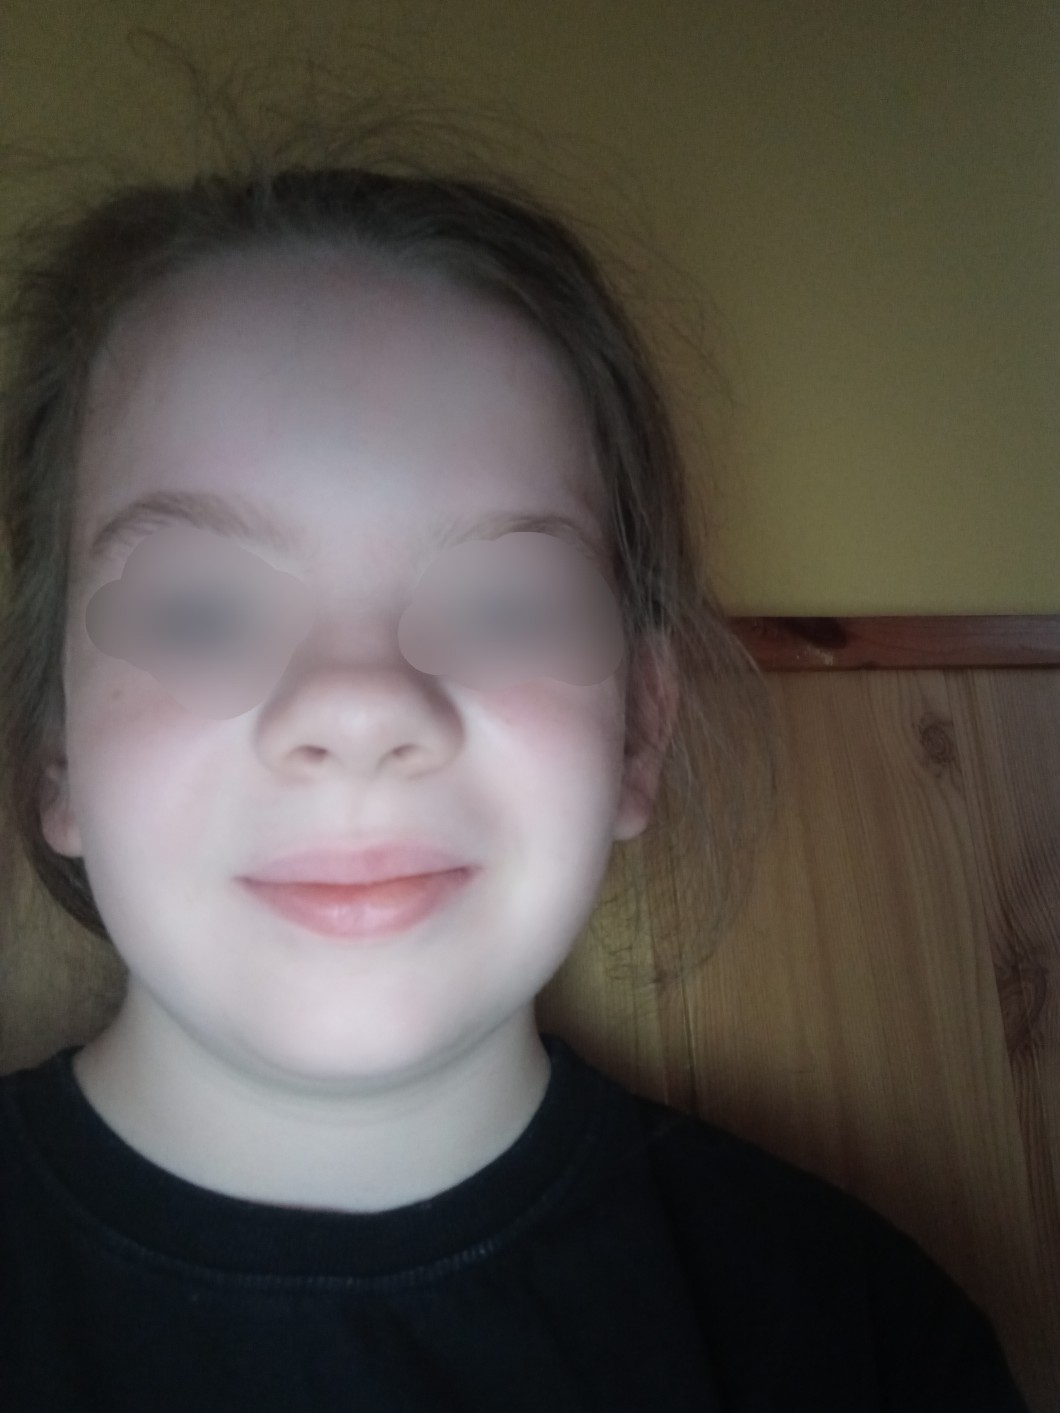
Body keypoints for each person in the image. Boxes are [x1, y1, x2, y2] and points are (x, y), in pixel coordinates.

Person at [0, 136, 1031, 1410]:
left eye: (502, 608)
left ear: (638, 730)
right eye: (202, 614)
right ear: (54, 750)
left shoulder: (869, 1342)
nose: (361, 708)